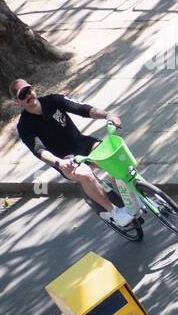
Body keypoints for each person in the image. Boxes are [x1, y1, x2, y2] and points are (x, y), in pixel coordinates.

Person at [10, 79, 134, 227]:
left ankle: (132, 196)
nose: (28, 95)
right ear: (17, 101)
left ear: (33, 88)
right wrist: (59, 162)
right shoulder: (24, 125)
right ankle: (114, 212)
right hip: (65, 160)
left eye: (28, 90)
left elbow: (83, 108)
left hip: (82, 143)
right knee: (86, 174)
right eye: (23, 95)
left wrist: (107, 116)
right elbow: (38, 150)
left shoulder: (53, 100)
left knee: (113, 158)